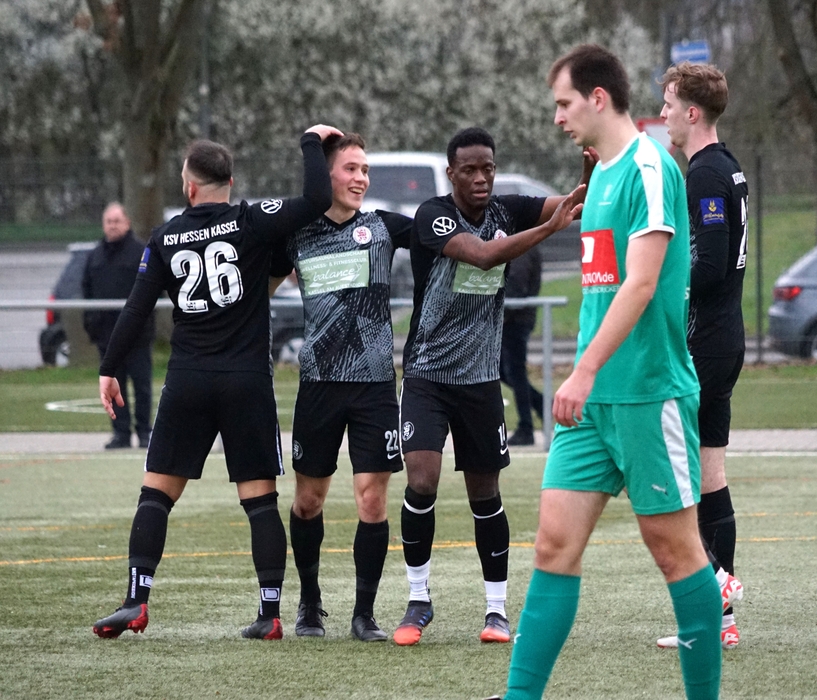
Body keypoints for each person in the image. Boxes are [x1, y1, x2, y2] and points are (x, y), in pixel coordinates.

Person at [494, 45, 723, 700]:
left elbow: (642, 284)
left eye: (564, 103)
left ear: (598, 98)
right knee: (553, 547)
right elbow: (603, 289)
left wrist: (583, 369)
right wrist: (584, 375)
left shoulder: (650, 169)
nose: (558, 118)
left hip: (648, 395)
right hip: (591, 405)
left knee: (675, 551)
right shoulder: (601, 175)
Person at [91, 123, 338, 641]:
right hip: (246, 380)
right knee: (260, 500)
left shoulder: (165, 237)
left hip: (188, 380)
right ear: (231, 182)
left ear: (189, 186)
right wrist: (311, 141)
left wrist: (109, 369)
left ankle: (135, 601)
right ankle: (269, 614)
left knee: (156, 495)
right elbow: (318, 198)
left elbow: (136, 309)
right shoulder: (252, 219)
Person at [393, 126, 589, 646]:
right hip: (428, 376)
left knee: (486, 494)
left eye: (488, 168)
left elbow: (575, 204)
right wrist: (547, 229)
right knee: (422, 478)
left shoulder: (509, 209)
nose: (481, 178)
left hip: (480, 381)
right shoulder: (433, 216)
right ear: (451, 173)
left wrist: (591, 170)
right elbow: (482, 255)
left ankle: (496, 610)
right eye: (470, 170)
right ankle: (418, 600)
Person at [268, 132, 411, 642]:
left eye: (365, 170)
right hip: (319, 387)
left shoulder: (384, 227)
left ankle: (364, 613)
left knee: (372, 501)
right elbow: (257, 290)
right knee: (308, 501)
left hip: (374, 387)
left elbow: (449, 237)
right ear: (325, 175)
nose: (361, 178)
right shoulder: (297, 236)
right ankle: (309, 603)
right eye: (351, 168)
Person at [656, 61, 748, 651]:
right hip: (724, 337)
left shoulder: (706, 173)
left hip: (704, 343)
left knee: (666, 473)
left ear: (692, 112)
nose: (662, 114)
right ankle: (720, 623)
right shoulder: (726, 165)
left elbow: (709, 265)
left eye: (668, 104)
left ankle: (714, 583)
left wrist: (660, 282)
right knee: (711, 476)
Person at [82, 202, 154, 450]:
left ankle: (144, 432)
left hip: (137, 336)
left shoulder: (141, 252)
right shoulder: (95, 255)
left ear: (127, 223)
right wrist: (91, 325)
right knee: (113, 385)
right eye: (109, 222)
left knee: (142, 386)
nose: (112, 226)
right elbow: (86, 290)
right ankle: (120, 433)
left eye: (117, 221)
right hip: (107, 335)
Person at [500, 245, 545, 446]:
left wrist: (502, 314)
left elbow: (517, 286)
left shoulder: (522, 247)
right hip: (513, 317)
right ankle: (541, 405)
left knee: (514, 372)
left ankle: (526, 427)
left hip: (515, 319)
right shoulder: (521, 244)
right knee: (505, 371)